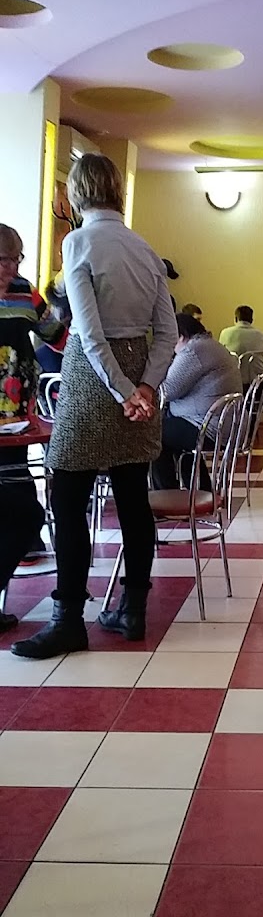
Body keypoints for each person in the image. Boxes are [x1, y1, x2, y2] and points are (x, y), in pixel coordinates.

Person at [12, 154, 178, 659]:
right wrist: (145, 388)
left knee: (68, 499)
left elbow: (86, 333)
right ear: (118, 192)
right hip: (138, 371)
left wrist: (124, 391)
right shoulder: (145, 249)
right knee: (132, 498)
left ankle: (68, 621)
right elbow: (167, 332)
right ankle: (133, 610)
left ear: (77, 193)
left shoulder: (78, 242)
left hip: (92, 376)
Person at [0, 225, 68, 629]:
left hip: (18, 411)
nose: (11, 267)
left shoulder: (25, 291)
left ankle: (27, 543)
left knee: (17, 483)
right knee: (19, 502)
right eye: (3, 260)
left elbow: (55, 335)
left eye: (16, 259)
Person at [152, 312, 242, 491]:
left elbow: (167, 391)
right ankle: (200, 490)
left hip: (209, 427)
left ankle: (167, 494)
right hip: (225, 424)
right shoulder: (210, 345)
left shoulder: (193, 351)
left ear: (179, 336)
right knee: (174, 431)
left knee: (153, 434)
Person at [219, 305, 263, 390]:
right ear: (251, 320)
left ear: (236, 319)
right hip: (259, 385)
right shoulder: (262, 336)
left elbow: (220, 358)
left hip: (234, 385)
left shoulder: (225, 333)